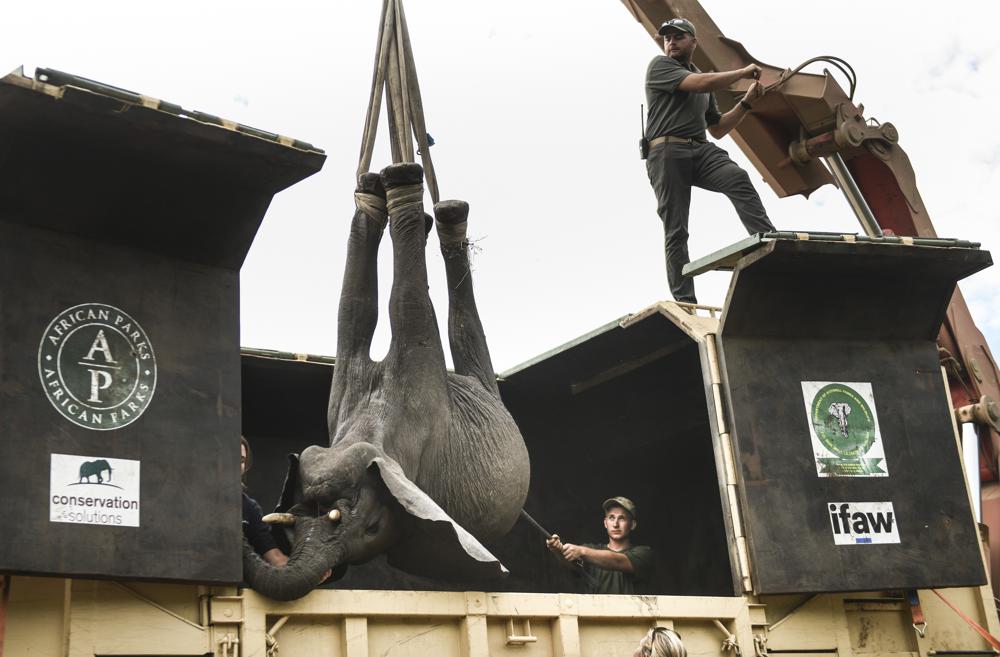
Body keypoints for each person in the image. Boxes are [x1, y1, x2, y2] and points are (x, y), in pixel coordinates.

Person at [644, 17, 776, 304]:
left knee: (737, 177)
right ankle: (687, 303)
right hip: (667, 152)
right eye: (668, 38)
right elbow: (700, 83)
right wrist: (742, 73)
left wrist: (747, 102)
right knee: (676, 229)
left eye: (679, 37)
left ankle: (768, 242)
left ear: (693, 41)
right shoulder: (660, 66)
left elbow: (717, 128)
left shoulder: (701, 78)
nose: (671, 42)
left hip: (700, 150)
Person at [545, 496, 654, 594]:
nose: (615, 524)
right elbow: (571, 563)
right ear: (605, 523)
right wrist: (557, 550)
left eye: (621, 518)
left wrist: (581, 551)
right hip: (594, 616)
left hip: (630, 615)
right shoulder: (591, 549)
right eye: (611, 518)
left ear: (633, 525)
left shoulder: (644, 554)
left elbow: (618, 561)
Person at [241, 437, 288, 567]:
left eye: (241, 460)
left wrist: (309, 572)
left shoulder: (249, 507)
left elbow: (274, 557)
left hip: (229, 585)